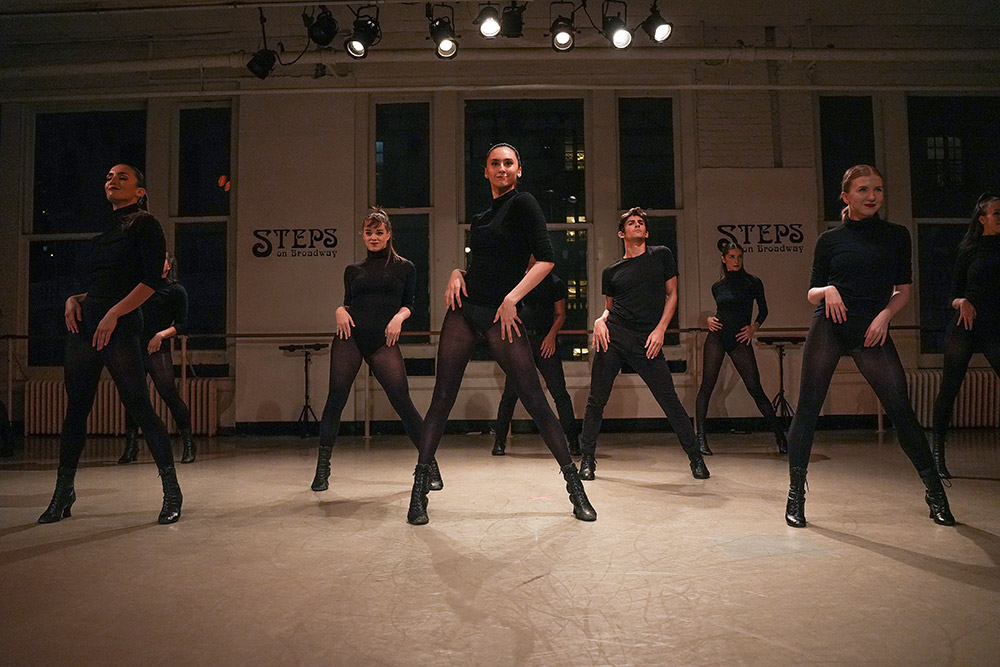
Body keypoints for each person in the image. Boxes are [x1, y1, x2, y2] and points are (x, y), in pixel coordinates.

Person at [407, 143, 596, 525]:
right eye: (494, 163)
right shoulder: (480, 218)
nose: (501, 169)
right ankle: (419, 491)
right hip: (465, 310)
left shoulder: (524, 203)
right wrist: (457, 273)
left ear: (519, 169)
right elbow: (481, 264)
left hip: (501, 314)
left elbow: (546, 259)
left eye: (508, 163)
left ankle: (576, 490)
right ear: (486, 171)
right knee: (441, 398)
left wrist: (512, 297)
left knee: (535, 399)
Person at [784, 164, 954, 528]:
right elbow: (812, 291)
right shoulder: (829, 240)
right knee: (808, 407)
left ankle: (935, 492)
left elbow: (903, 292)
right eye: (862, 190)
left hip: (871, 330)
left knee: (901, 409)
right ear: (846, 197)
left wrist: (885, 316)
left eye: (877, 189)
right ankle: (796, 492)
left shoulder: (897, 235)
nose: (872, 196)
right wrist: (827, 290)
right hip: (830, 326)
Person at [39, 164, 182, 525]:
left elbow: (149, 281)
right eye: (107, 176)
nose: (112, 180)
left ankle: (171, 491)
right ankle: (63, 493)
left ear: (139, 191)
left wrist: (114, 314)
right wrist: (75, 298)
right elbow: (105, 284)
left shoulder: (146, 224)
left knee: (139, 406)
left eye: (122, 177)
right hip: (87, 325)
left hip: (118, 326)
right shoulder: (105, 234)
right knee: (76, 410)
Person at [577, 207, 710, 482]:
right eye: (631, 223)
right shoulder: (611, 271)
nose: (636, 225)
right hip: (614, 336)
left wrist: (661, 330)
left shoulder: (661, 255)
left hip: (647, 339)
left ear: (646, 232)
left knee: (669, 400)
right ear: (621, 233)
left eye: (640, 223)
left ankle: (695, 458)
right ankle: (587, 460)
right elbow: (609, 309)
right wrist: (599, 321)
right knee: (596, 401)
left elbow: (672, 295)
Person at [310, 209, 437, 493]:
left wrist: (399, 317)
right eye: (369, 233)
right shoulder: (353, 270)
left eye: (379, 232)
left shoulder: (405, 267)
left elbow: (410, 304)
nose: (374, 237)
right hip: (350, 336)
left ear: (389, 234)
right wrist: (338, 310)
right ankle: (322, 469)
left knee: (403, 403)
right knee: (336, 399)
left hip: (384, 341)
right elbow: (348, 303)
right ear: (363, 235)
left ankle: (429, 466)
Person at [931, 192, 1000, 478]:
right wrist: (961, 302)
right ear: (982, 218)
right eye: (997, 213)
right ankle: (937, 453)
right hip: (966, 324)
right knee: (950, 387)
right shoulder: (968, 248)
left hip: (995, 327)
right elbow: (952, 295)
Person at [695, 241, 787, 456]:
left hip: (739, 338)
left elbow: (763, 310)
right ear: (724, 258)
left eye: (739, 257)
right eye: (732, 257)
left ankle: (781, 437)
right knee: (707, 385)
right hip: (717, 336)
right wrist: (709, 320)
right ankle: (700, 440)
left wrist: (753, 328)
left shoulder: (753, 282)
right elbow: (720, 311)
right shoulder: (717, 286)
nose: (736, 261)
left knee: (755, 387)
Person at [491, 257, 580, 457]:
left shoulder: (554, 282)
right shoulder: (515, 280)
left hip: (544, 340)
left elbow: (560, 314)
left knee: (560, 393)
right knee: (510, 394)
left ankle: (573, 442)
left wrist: (551, 336)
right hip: (520, 340)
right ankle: (499, 442)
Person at [117, 252, 195, 465]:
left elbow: (182, 324)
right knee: (133, 397)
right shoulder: (141, 287)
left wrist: (160, 335)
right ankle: (131, 446)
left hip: (157, 345)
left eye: (163, 258)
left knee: (168, 393)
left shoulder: (176, 290)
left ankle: (188, 443)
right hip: (135, 345)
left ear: (169, 265)